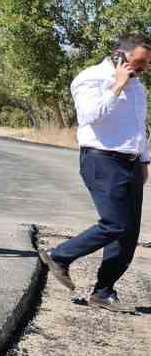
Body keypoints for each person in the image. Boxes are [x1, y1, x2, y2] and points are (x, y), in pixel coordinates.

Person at [39, 34, 151, 311]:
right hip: (102, 159)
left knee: (128, 235)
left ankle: (103, 291)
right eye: (139, 63)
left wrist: (144, 160)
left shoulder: (138, 87)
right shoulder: (90, 78)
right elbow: (89, 115)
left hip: (132, 162)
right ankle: (60, 255)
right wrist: (116, 86)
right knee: (114, 224)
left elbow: (138, 126)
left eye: (147, 65)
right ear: (119, 56)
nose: (142, 69)